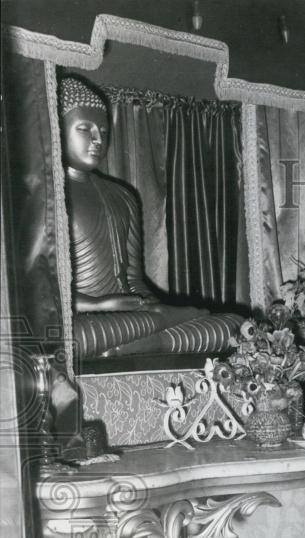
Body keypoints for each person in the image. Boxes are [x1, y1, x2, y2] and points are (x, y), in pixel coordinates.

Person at [59, 75, 242, 359]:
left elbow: (133, 279)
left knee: (234, 326)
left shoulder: (122, 196)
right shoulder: (49, 196)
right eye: (85, 129)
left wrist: (150, 306)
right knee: (70, 338)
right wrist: (101, 305)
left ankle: (149, 343)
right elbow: (47, 289)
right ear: (58, 129)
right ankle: (150, 336)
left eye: (104, 132)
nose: (98, 140)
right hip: (86, 319)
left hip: (131, 319)